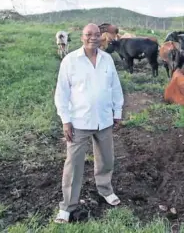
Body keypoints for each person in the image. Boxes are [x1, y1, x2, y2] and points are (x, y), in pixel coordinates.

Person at [53, 23, 124, 223]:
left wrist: (117, 112)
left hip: (104, 119)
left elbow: (115, 87)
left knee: (106, 159)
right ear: (82, 37)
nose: (93, 37)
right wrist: (66, 121)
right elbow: (62, 93)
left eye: (96, 34)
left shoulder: (107, 59)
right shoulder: (70, 61)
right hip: (79, 121)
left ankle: (105, 190)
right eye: (88, 34)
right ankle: (67, 206)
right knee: (73, 164)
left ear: (101, 37)